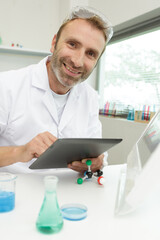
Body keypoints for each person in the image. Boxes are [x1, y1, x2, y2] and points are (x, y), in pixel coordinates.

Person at [0, 6, 113, 173]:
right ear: (54, 43)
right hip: (13, 193)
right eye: (72, 44)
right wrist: (21, 151)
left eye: (91, 53)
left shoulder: (89, 97)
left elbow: (97, 154)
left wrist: (96, 163)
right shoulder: (6, 85)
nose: (78, 61)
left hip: (69, 193)